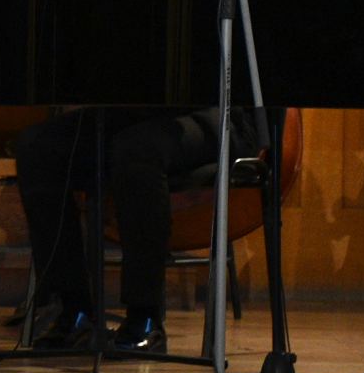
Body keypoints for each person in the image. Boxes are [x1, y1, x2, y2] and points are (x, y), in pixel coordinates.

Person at [15, 105, 254, 353]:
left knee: (137, 149)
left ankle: (145, 317)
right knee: (36, 146)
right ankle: (74, 311)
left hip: (222, 113)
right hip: (138, 116)